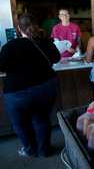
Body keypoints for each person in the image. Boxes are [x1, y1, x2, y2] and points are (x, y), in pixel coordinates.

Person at [0, 14, 61, 157]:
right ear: (36, 26)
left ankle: (29, 149)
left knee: (20, 124)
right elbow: (56, 58)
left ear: (18, 28)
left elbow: (1, 66)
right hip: (45, 87)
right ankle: (44, 150)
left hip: (17, 93)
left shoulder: (10, 46)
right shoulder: (45, 42)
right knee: (42, 119)